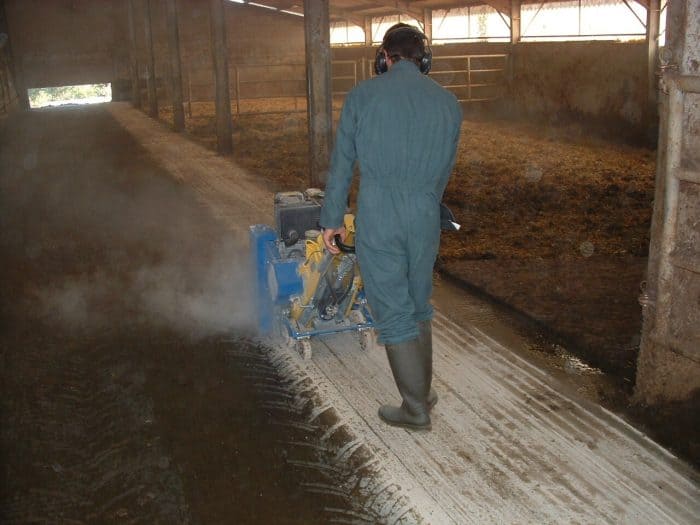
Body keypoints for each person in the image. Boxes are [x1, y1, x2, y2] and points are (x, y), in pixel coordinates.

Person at [320, 23, 462, 430]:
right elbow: (444, 172)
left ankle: (414, 409)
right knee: (418, 304)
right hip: (424, 213)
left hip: (380, 211)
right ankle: (424, 389)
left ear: (384, 57)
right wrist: (427, 205)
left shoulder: (363, 95)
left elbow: (343, 164)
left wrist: (332, 219)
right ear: (424, 59)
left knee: (394, 313)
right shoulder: (449, 104)